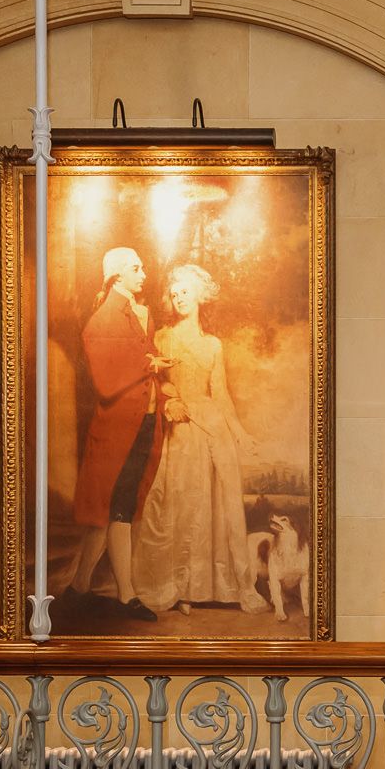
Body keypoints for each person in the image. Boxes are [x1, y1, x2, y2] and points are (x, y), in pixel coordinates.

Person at [131, 263, 269, 618]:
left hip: (214, 429)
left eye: (185, 292)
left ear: (199, 296)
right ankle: (181, 587)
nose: (179, 298)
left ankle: (218, 587)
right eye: (174, 293)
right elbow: (156, 380)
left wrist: (240, 434)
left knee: (218, 506)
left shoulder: (213, 345)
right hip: (181, 427)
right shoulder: (163, 337)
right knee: (182, 503)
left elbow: (220, 394)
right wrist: (170, 398)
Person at [65, 246, 165, 621]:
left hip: (141, 423)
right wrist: (149, 363)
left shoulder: (138, 313)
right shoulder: (102, 319)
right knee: (111, 510)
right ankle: (118, 594)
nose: (144, 274)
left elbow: (142, 361)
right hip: (116, 431)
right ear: (117, 276)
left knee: (117, 510)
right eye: (136, 268)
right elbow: (107, 383)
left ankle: (84, 589)